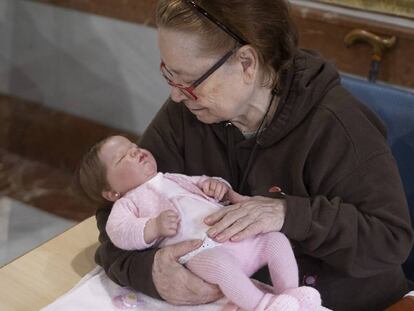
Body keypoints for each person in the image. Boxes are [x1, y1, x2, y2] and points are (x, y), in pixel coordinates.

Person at [93, 1, 414, 310]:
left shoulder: (336, 125)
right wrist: (149, 270)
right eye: (169, 74)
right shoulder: (187, 114)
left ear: (246, 63)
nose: (176, 94)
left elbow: (390, 239)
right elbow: (116, 216)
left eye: (189, 81)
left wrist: (289, 215)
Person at [75, 134, 321, 310]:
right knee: (222, 266)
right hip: (202, 252)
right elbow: (119, 232)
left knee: (274, 239)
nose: (135, 152)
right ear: (111, 192)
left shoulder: (171, 177)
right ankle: (263, 305)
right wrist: (153, 228)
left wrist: (215, 186)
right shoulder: (126, 204)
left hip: (235, 237)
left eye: (133, 146)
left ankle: (289, 294)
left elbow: (201, 181)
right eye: (122, 158)